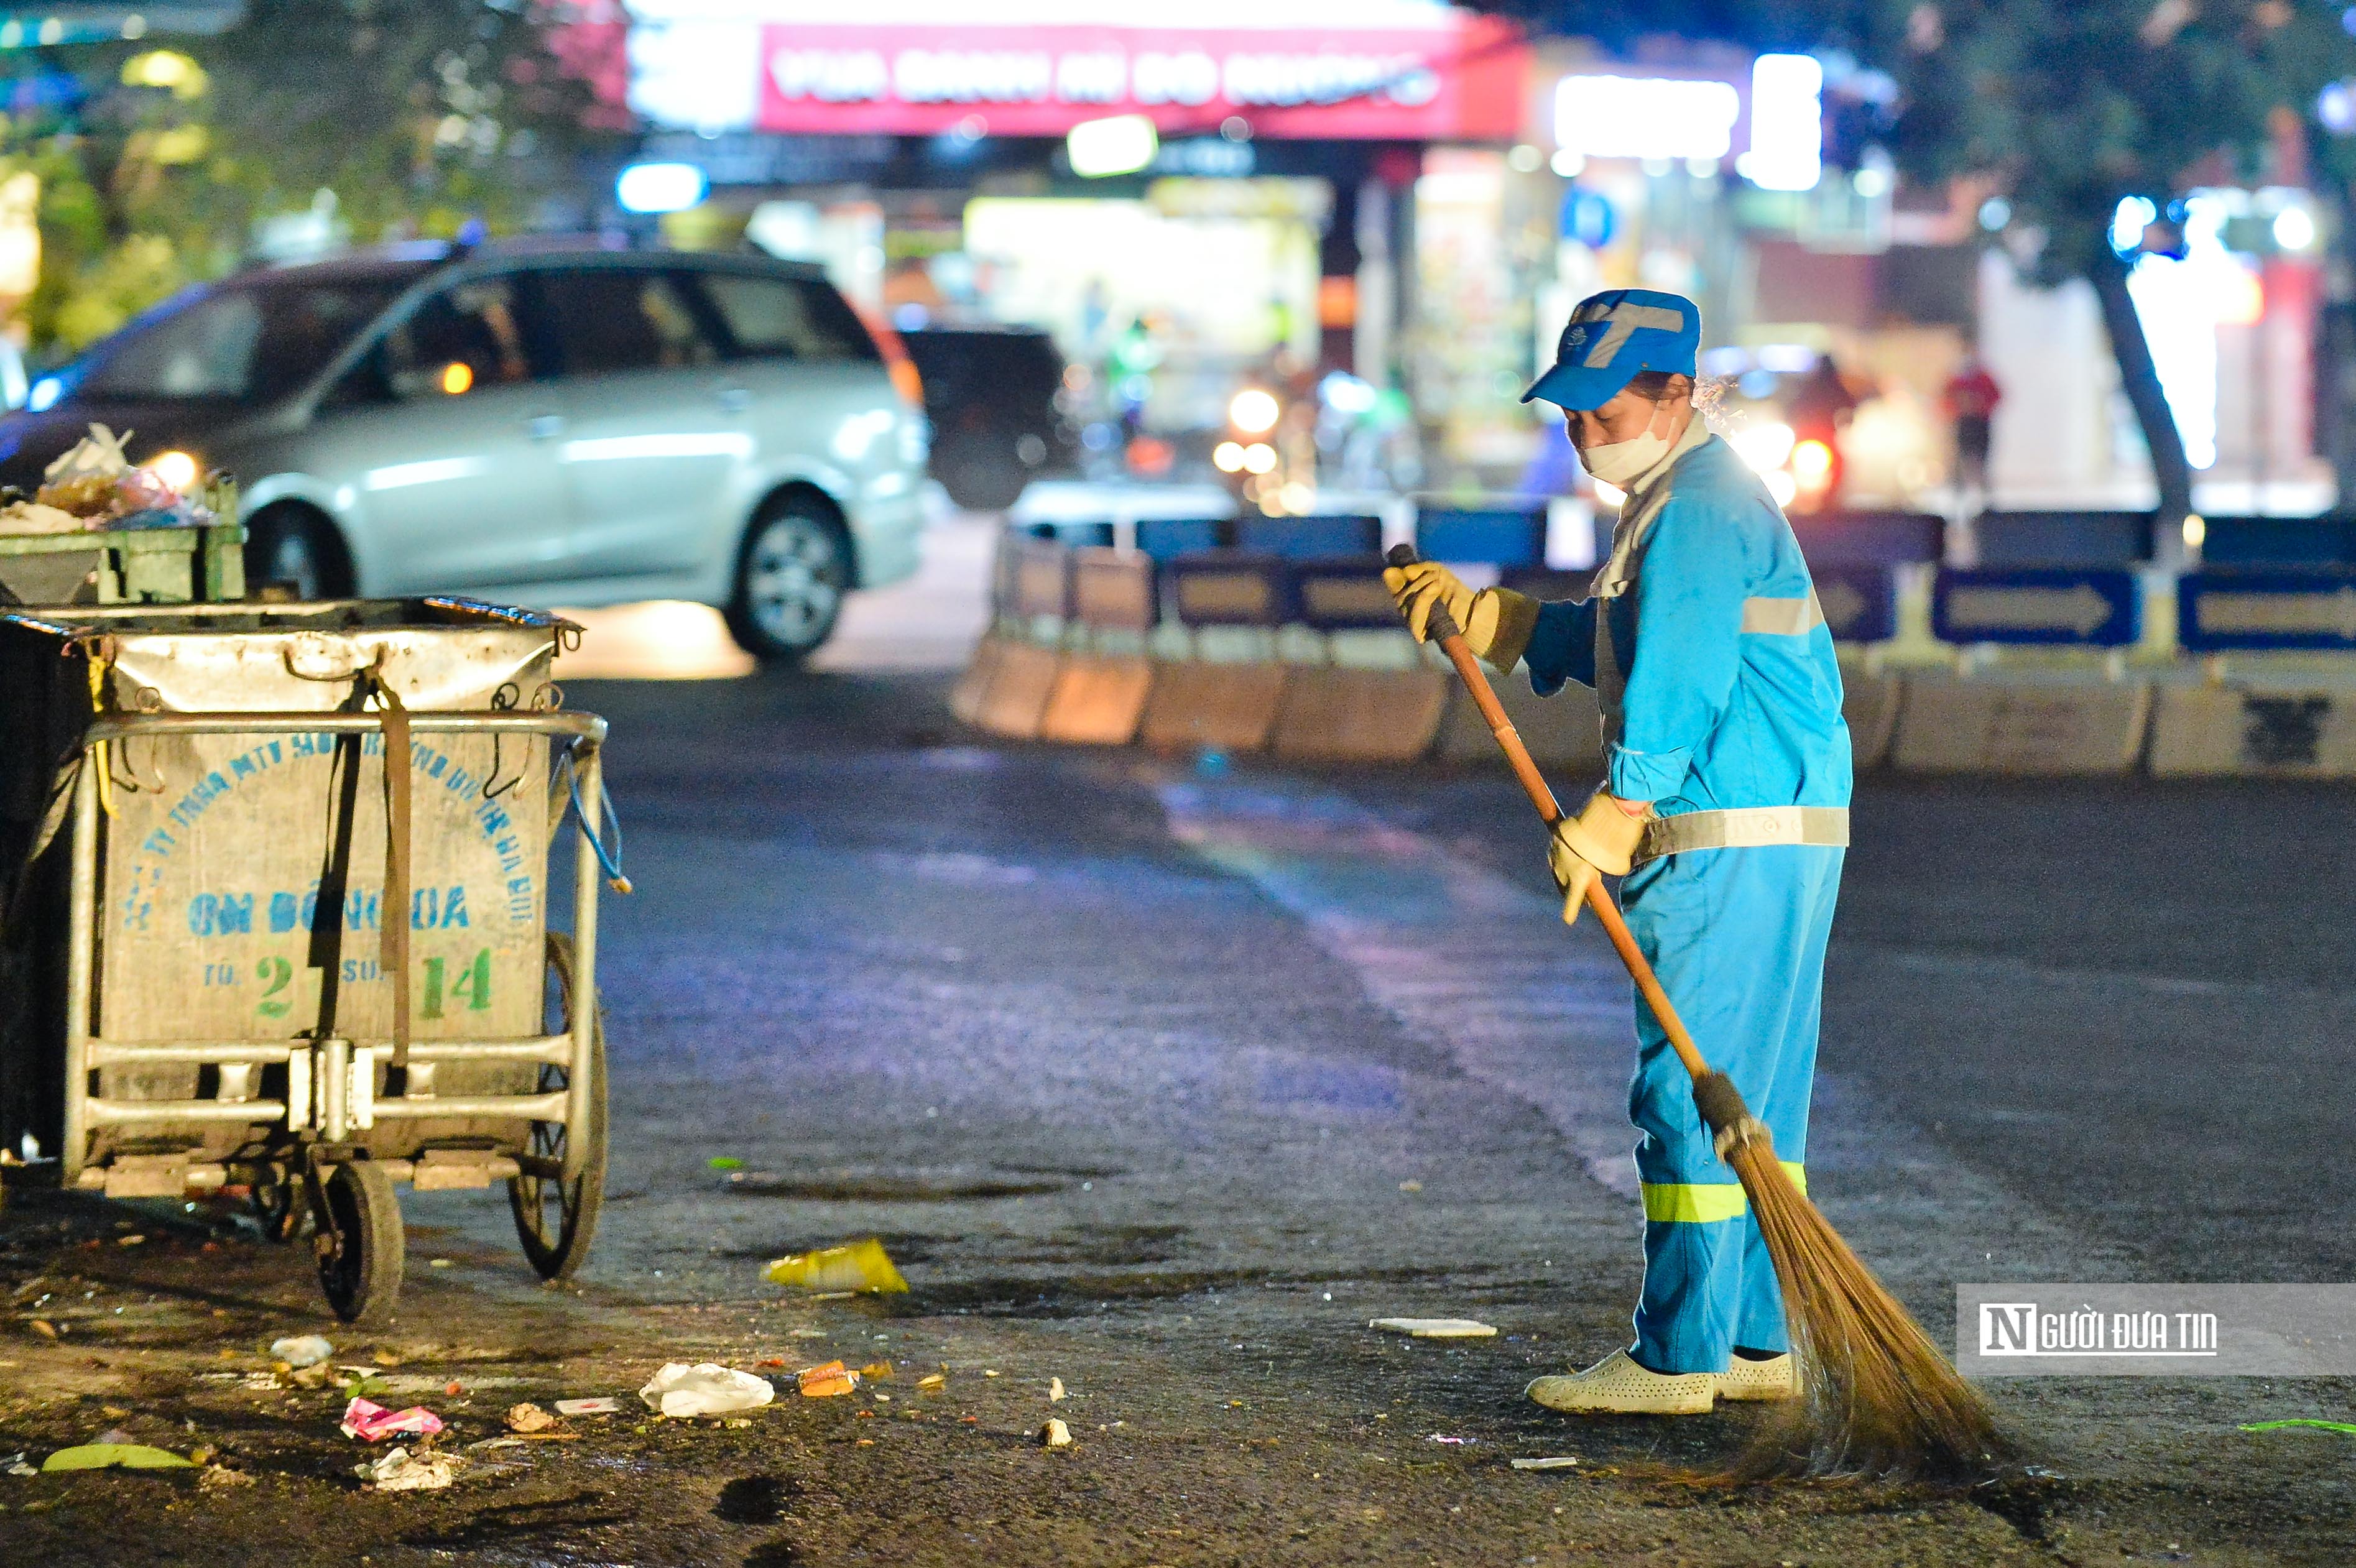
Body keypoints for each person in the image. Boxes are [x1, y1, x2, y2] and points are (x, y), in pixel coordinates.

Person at [1384, 288, 1852, 1416]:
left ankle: (1677, 1358)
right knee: (1752, 1101)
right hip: (1781, 835)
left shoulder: (1693, 507)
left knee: (1685, 1095)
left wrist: (1616, 809)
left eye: (1603, 410)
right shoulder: (1692, 497)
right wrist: (1492, 622)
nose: (1584, 432)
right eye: (1571, 414)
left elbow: (1678, 677)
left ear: (1677, 395)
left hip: (1721, 836)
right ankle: (1750, 1342)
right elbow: (1625, 643)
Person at [1944, 354, 2002, 503]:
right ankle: (1958, 496)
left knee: (1982, 460)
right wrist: (1960, 408)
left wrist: (1980, 406)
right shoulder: (1956, 381)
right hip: (1964, 423)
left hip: (1980, 423)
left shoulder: (1985, 379)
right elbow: (1946, 399)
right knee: (1960, 459)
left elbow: (1996, 396)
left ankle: (1986, 499)